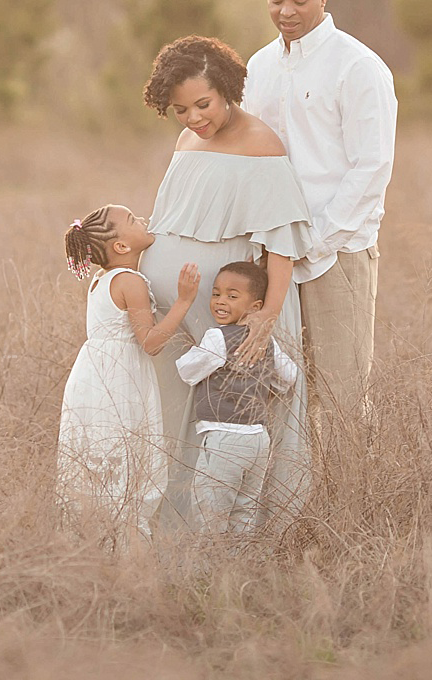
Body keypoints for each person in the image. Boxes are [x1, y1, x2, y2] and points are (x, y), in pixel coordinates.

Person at [136, 36, 314, 534]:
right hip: (180, 312)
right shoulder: (186, 142)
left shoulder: (261, 145)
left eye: (203, 104)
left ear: (228, 90)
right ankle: (178, 532)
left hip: (233, 312)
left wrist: (267, 315)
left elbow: (280, 248)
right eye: (179, 109)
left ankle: (251, 536)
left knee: (243, 413)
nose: (193, 118)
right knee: (179, 414)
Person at [242, 0, 397, 437]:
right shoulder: (259, 67)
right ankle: (294, 511)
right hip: (271, 258)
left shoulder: (358, 66)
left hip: (338, 254)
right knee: (278, 396)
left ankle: (352, 504)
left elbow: (371, 166)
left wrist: (316, 239)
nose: (285, 11)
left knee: (342, 397)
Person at [57, 204, 201, 543]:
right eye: (134, 220)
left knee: (101, 457)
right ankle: (126, 545)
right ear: (121, 247)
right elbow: (150, 343)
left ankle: (95, 538)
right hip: (119, 381)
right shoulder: (130, 282)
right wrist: (183, 301)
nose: (145, 220)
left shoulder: (102, 279)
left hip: (92, 378)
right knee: (126, 460)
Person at [175, 261, 298, 536]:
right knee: (246, 510)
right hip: (258, 439)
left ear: (255, 306)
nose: (220, 302)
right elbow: (289, 377)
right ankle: (240, 566)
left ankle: (208, 573)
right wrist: (265, 379)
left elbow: (188, 371)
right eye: (216, 294)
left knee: (211, 513)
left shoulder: (218, 337)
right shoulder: (268, 341)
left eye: (232, 296)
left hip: (224, 438)